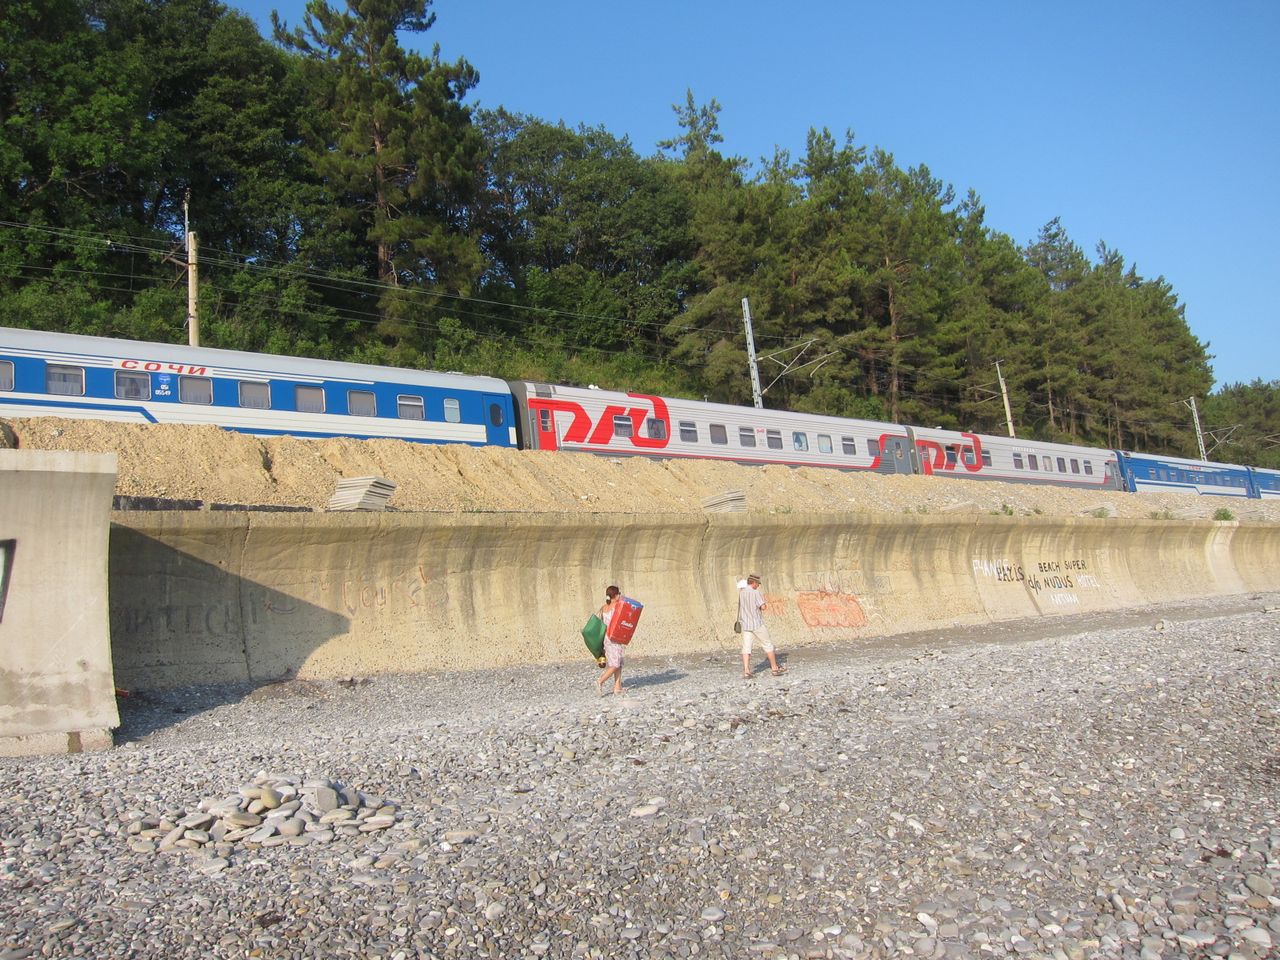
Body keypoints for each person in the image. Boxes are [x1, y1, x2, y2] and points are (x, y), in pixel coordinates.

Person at [739, 572, 785, 679]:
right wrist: (761, 606)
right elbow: (763, 607)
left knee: (746, 647)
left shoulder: (741, 592)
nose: (758, 585)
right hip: (756, 623)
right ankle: (774, 668)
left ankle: (746, 671)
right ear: (754, 583)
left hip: (746, 624)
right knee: (768, 644)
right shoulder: (756, 593)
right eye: (757, 583)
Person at [595, 585, 625, 695]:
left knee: (618, 662)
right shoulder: (617, 605)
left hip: (607, 638)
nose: (620, 595)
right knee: (615, 664)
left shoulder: (603, 607)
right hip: (614, 637)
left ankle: (617, 687)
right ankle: (600, 681)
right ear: (615, 595)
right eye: (619, 594)